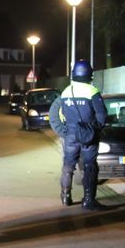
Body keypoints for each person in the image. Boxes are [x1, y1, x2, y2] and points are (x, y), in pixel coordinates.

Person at [49, 59, 108, 211]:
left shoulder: (66, 92)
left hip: (70, 135)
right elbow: (102, 115)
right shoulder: (92, 91)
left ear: (74, 74)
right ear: (90, 74)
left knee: (68, 166)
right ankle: (88, 200)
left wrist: (63, 131)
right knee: (89, 167)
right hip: (88, 135)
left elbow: (54, 113)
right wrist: (95, 129)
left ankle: (65, 196)